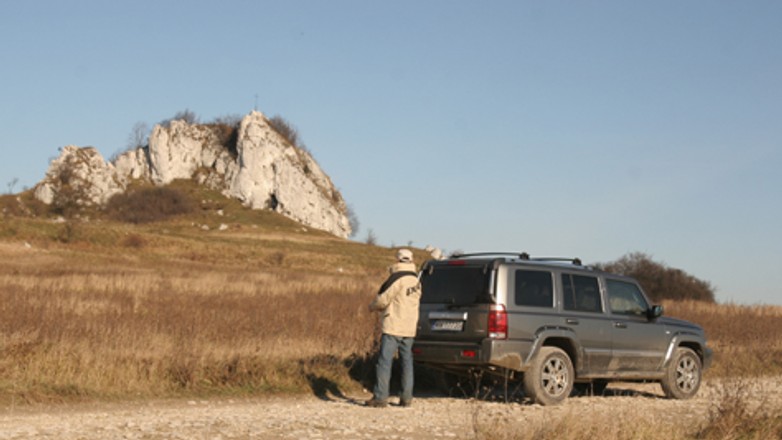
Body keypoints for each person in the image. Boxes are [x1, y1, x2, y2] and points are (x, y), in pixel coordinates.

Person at [365, 249, 422, 408]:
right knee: (407, 362)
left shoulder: (396, 279)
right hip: (410, 327)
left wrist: (371, 307)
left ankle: (380, 397)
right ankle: (406, 398)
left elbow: (383, 300)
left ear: (397, 260)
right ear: (411, 260)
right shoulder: (416, 280)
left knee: (385, 362)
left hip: (393, 325)